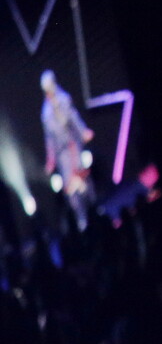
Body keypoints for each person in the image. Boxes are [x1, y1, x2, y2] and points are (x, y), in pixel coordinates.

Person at [40, 69, 96, 232]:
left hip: (74, 146)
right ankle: (81, 218)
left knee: (84, 179)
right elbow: (49, 138)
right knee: (71, 187)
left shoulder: (64, 99)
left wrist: (83, 131)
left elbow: (74, 117)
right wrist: (50, 159)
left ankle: (94, 210)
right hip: (62, 154)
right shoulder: (46, 113)